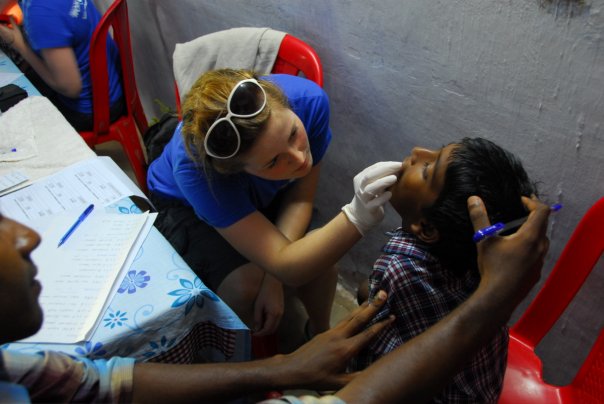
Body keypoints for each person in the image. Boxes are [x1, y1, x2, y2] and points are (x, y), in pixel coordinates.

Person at [0, 195, 551, 402]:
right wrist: (493, 299)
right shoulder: (411, 264)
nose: (27, 235)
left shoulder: (16, 370)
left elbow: (99, 384)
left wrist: (280, 367)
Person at [147, 68, 400, 338]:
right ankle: (253, 350)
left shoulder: (308, 101)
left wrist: (275, 277)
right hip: (181, 204)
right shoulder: (199, 174)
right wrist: (356, 216)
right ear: (237, 171)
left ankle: (320, 336)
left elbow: (300, 198)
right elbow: (286, 264)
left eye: (293, 134)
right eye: (273, 161)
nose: (299, 159)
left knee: (322, 259)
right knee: (246, 288)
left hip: (259, 188)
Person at [352, 138, 538, 402]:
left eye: (428, 170)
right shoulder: (482, 258)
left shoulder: (399, 267)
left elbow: (375, 359)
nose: (418, 152)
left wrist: (353, 217)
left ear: (427, 228)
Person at [0, 0, 124, 131]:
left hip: (92, 110)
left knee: (10, 118)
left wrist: (19, 45)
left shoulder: (42, 15)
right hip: (110, 85)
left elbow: (70, 89)